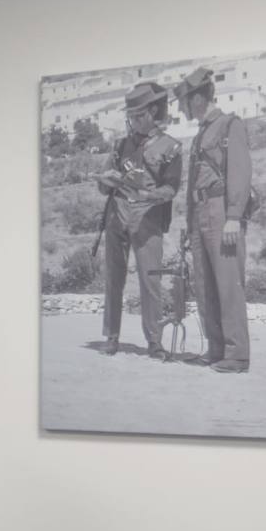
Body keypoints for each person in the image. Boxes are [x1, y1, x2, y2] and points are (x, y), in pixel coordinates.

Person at [93, 81, 182, 358]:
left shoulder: (171, 147)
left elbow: (171, 189)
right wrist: (108, 181)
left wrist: (146, 193)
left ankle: (154, 342)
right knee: (113, 280)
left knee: (150, 281)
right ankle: (111, 336)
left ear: (154, 111)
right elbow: (102, 186)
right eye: (130, 116)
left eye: (138, 115)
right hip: (117, 217)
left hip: (148, 220)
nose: (133, 121)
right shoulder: (121, 146)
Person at [175, 67, 253, 373]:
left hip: (222, 212)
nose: (181, 108)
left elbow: (240, 172)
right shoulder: (201, 134)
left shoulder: (229, 125)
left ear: (196, 99)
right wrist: (189, 220)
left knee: (228, 285)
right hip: (200, 213)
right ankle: (216, 347)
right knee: (205, 284)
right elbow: (194, 180)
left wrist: (234, 216)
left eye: (183, 101)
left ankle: (237, 355)